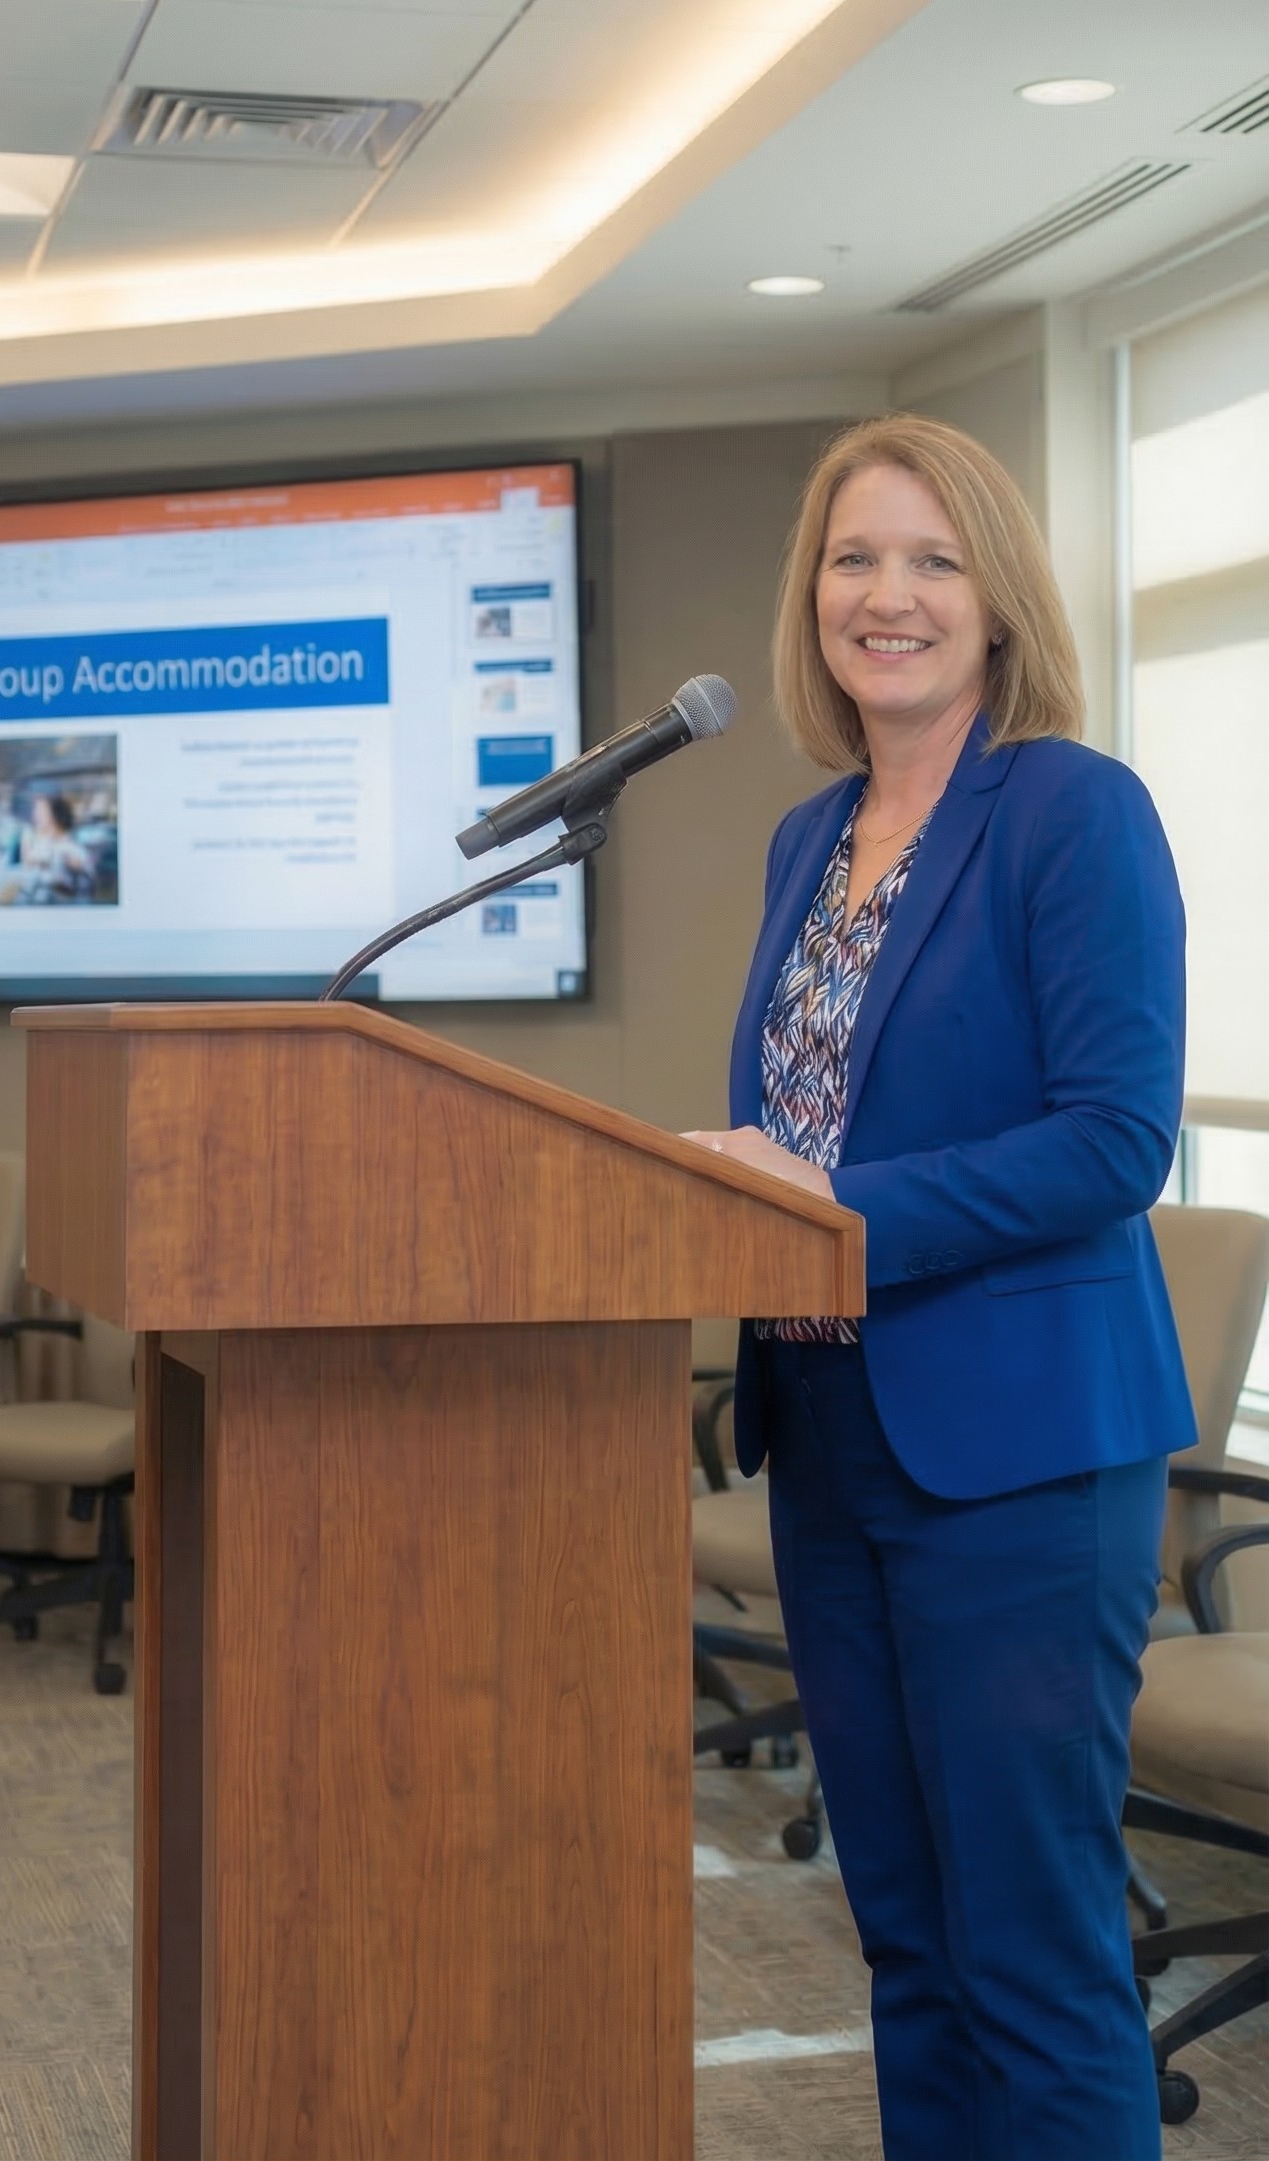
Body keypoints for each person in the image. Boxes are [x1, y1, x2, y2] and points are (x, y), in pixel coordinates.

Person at [684, 413, 1192, 2161]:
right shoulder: (809, 841)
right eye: (850, 558)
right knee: (903, 1934)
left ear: (996, 601)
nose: (883, 595)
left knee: (1032, 1951)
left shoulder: (1070, 808)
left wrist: (828, 1199)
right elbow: (805, 1119)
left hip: (1022, 1457)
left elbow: (1117, 1141)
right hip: (832, 1432)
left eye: (929, 560)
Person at [17, 793, 91, 897]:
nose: (35, 816)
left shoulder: (73, 849)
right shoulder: (39, 843)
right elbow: (27, 864)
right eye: (36, 811)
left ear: (55, 816)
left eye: (41, 812)